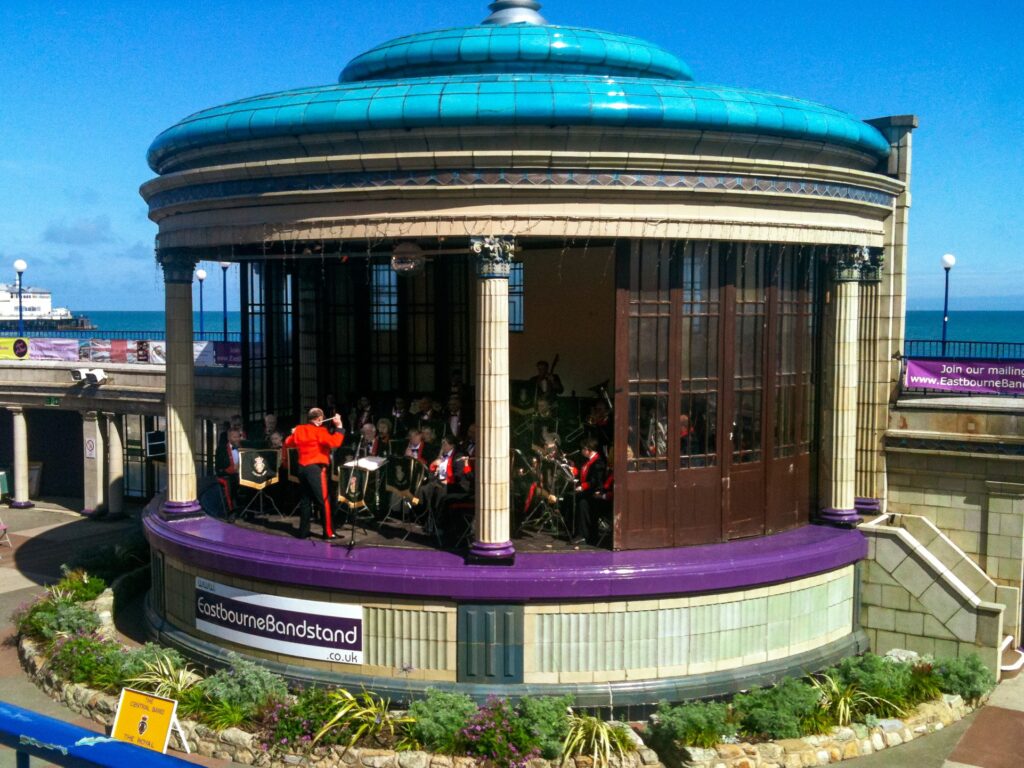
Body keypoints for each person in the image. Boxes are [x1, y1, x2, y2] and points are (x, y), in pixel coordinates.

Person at [284, 407, 345, 539]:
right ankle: (329, 532)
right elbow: (335, 442)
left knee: (306, 500)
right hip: (316, 469)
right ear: (319, 419)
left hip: (302, 468)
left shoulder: (299, 429)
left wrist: (293, 433)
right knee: (323, 500)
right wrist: (339, 426)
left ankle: (303, 532)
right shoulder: (320, 431)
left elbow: (288, 443)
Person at [420, 435, 473, 543]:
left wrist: (447, 480)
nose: (443, 446)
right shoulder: (441, 455)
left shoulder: (459, 456)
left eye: (445, 444)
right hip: (440, 482)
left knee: (439, 491)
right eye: (442, 443)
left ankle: (437, 521)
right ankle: (420, 507)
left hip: (456, 486)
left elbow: (459, 475)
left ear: (452, 445)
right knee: (424, 489)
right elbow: (434, 471)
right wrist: (434, 467)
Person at [570, 437, 609, 546]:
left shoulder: (599, 461)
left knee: (582, 502)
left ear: (588, 449)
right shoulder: (589, 461)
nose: (582, 451)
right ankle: (578, 532)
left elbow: (596, 481)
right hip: (589, 491)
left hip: (596, 493)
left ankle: (583, 535)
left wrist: (582, 487)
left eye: (583, 449)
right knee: (573, 498)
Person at [215, 427, 243, 513]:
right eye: (234, 437)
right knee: (230, 483)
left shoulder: (243, 447)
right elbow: (218, 467)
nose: (237, 439)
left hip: (241, 474)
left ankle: (246, 509)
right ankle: (231, 511)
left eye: (238, 437)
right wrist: (231, 469)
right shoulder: (221, 449)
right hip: (226, 474)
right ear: (229, 438)